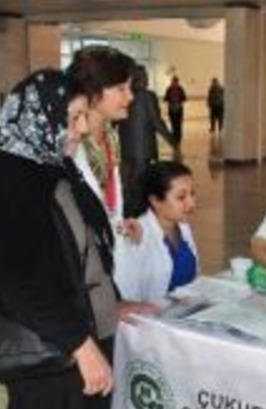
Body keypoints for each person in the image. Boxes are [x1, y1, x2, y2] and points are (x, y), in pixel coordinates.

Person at [0, 69, 157, 409]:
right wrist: (81, 347)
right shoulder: (7, 181)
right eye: (71, 118)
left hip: (79, 330)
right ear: (39, 117)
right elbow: (20, 283)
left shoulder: (51, 165)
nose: (80, 127)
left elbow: (83, 249)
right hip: (52, 349)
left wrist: (112, 301)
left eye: (80, 116)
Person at [66, 46, 136, 227]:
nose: (130, 96)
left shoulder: (111, 137)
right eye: (121, 88)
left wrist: (119, 225)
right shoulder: (70, 146)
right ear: (93, 91)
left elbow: (110, 204)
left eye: (129, 87)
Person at [114, 162, 198, 303]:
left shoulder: (183, 228)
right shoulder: (135, 235)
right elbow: (127, 298)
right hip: (153, 319)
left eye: (192, 194)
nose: (191, 203)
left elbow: (195, 279)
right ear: (155, 201)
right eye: (181, 197)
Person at [118, 65, 175, 216]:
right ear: (142, 78)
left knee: (129, 184)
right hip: (144, 151)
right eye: (146, 75)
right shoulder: (147, 96)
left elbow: (114, 122)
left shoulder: (125, 95)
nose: (148, 78)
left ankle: (128, 214)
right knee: (143, 184)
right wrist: (173, 142)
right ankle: (139, 217)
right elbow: (157, 122)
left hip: (126, 149)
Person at [164, 76, 187, 144]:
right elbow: (166, 98)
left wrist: (177, 99)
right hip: (172, 108)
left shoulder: (179, 89)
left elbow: (184, 98)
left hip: (178, 108)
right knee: (174, 123)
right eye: (174, 81)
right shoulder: (170, 89)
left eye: (175, 82)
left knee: (178, 123)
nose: (174, 83)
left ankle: (178, 137)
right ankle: (175, 136)